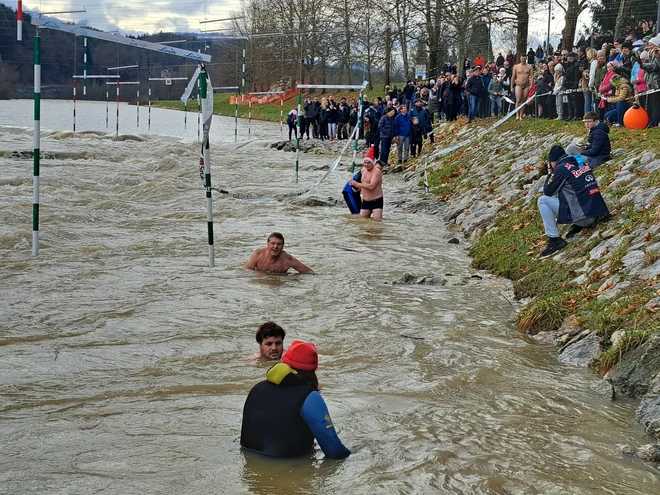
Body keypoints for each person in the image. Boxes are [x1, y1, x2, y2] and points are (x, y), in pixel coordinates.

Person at [240, 340, 351, 459]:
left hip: (249, 464)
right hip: (287, 468)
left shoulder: (257, 388)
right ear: (312, 371)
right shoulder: (310, 396)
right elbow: (334, 451)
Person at [537, 145, 609, 257]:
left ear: (553, 162)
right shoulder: (579, 162)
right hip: (597, 212)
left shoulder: (560, 169)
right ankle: (577, 223)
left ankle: (554, 239)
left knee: (543, 201)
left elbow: (548, 191)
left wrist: (551, 172)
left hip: (585, 218)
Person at [245, 232, 313, 273]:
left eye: (278, 244)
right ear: (268, 244)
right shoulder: (258, 254)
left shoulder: (288, 259)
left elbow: (309, 272)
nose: (275, 247)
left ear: (283, 246)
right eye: (273, 243)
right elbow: (247, 272)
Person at [349, 146, 383, 220]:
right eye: (365, 162)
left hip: (376, 200)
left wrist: (357, 184)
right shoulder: (363, 170)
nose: (366, 165)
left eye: (368, 163)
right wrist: (358, 189)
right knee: (363, 222)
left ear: (372, 163)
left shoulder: (377, 171)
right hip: (365, 201)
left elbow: (371, 186)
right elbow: (363, 183)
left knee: (377, 222)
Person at [510, 54, 534, 120]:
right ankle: (517, 115)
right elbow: (513, 77)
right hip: (518, 85)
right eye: (522, 58)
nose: (523, 60)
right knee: (518, 100)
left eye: (524, 58)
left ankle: (521, 115)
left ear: (526, 58)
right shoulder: (516, 67)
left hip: (526, 85)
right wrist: (511, 87)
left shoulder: (529, 67)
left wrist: (531, 85)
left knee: (524, 100)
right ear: (520, 58)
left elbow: (532, 76)